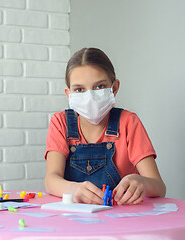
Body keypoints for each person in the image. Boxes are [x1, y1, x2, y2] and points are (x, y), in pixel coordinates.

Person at [44, 48, 166, 205]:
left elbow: (159, 187)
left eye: (99, 86)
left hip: (121, 218)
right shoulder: (60, 123)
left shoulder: (128, 122)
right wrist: (74, 189)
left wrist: (141, 182)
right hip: (74, 218)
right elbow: (51, 179)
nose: (89, 97)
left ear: (114, 88)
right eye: (79, 89)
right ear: (69, 94)